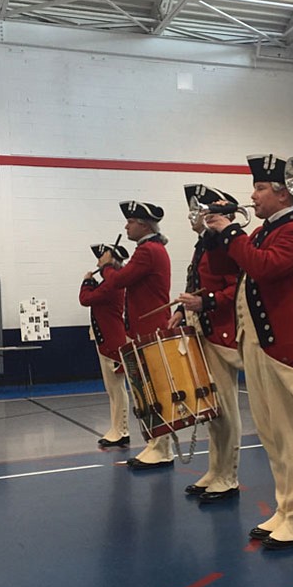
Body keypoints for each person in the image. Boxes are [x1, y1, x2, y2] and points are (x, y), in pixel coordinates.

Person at [204, 154, 293, 549]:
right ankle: (285, 509)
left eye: (258, 188)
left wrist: (232, 231)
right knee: (270, 434)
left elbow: (264, 267)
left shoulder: (292, 230)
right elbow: (227, 263)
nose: (251, 196)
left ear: (282, 192)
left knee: (288, 435)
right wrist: (215, 232)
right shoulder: (259, 232)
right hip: (255, 342)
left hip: (284, 346)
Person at [169, 184, 243, 503]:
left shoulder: (227, 244)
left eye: (200, 210)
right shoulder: (205, 245)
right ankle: (216, 469)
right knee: (213, 408)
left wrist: (206, 303)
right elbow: (195, 285)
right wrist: (181, 309)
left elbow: (237, 288)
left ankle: (229, 475)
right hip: (202, 329)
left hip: (222, 332)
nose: (193, 216)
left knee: (225, 408)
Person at [98, 200, 173, 469]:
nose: (126, 226)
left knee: (154, 391)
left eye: (130, 222)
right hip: (146, 329)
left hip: (148, 330)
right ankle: (156, 444)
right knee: (149, 391)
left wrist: (107, 265)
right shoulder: (151, 250)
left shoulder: (147, 251)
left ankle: (161, 448)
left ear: (143, 224)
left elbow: (117, 281)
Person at [79, 241, 131, 449]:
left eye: (101, 258)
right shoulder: (110, 283)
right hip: (107, 340)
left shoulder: (112, 285)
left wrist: (86, 282)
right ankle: (117, 428)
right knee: (113, 390)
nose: (98, 263)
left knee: (117, 390)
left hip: (112, 341)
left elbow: (85, 299)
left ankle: (122, 430)